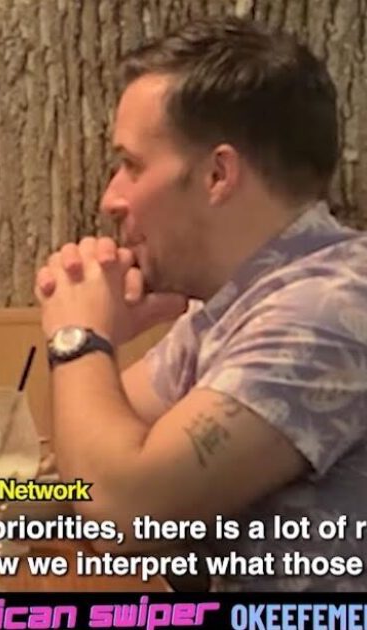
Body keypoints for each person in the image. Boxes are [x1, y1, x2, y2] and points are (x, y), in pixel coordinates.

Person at [35, 16, 367, 592]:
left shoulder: (328, 309)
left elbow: (124, 510)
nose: (111, 198)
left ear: (217, 174)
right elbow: (82, 465)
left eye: (132, 165)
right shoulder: (235, 304)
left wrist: (80, 338)